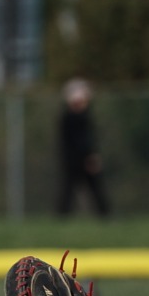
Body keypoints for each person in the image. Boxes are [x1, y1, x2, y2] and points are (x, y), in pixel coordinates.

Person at [56, 77, 109, 217]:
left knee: (73, 190)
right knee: (83, 189)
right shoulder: (75, 118)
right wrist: (90, 156)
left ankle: (63, 216)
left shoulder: (73, 117)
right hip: (78, 160)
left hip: (74, 159)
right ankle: (104, 215)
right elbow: (83, 140)